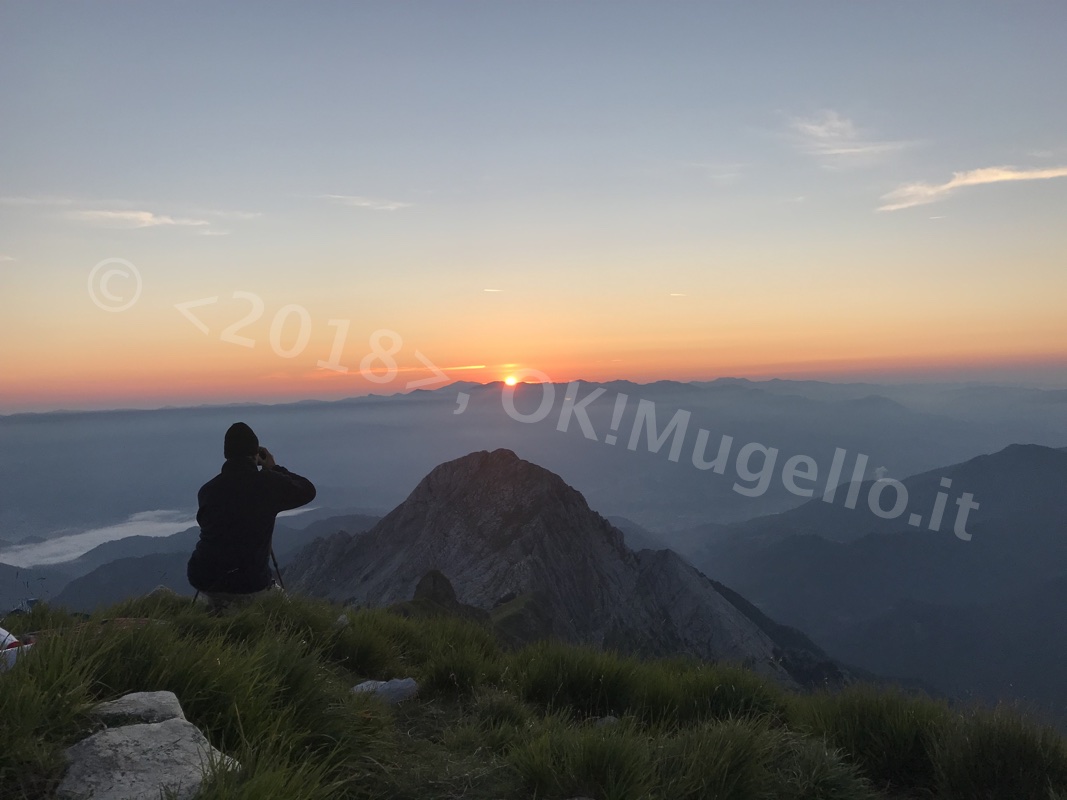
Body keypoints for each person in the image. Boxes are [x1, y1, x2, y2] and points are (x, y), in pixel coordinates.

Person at [187, 422, 316, 612]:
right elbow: (308, 490)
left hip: (203, 576)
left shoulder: (207, 491)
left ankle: (215, 612)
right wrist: (274, 468)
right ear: (256, 455)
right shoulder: (267, 485)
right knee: (285, 610)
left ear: (227, 454)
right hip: (249, 582)